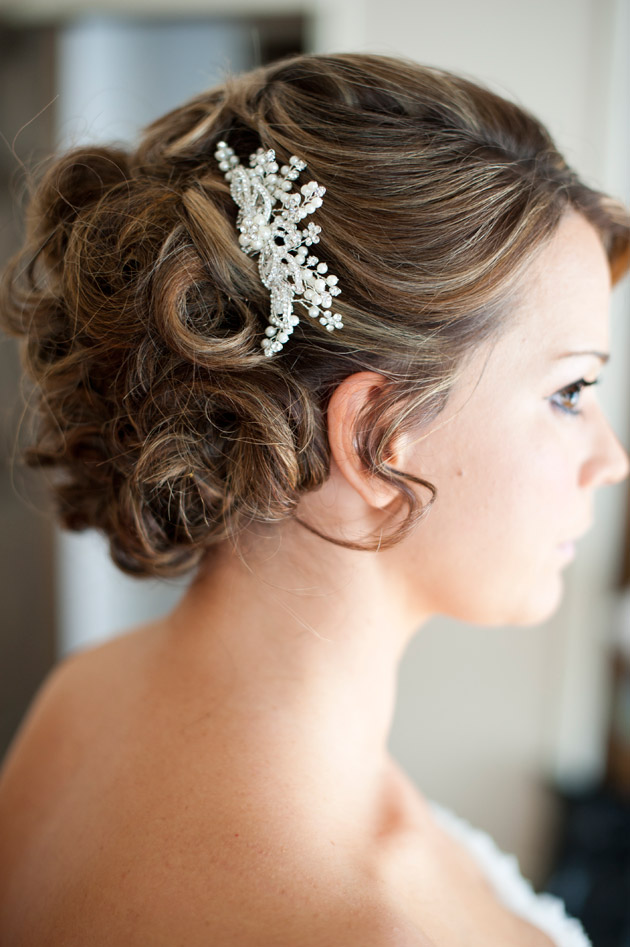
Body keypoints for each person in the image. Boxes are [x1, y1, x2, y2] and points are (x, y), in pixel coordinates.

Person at [0, 50, 628, 946]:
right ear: (375, 435)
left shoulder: (87, 701)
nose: (611, 458)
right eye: (570, 391)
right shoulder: (363, 926)